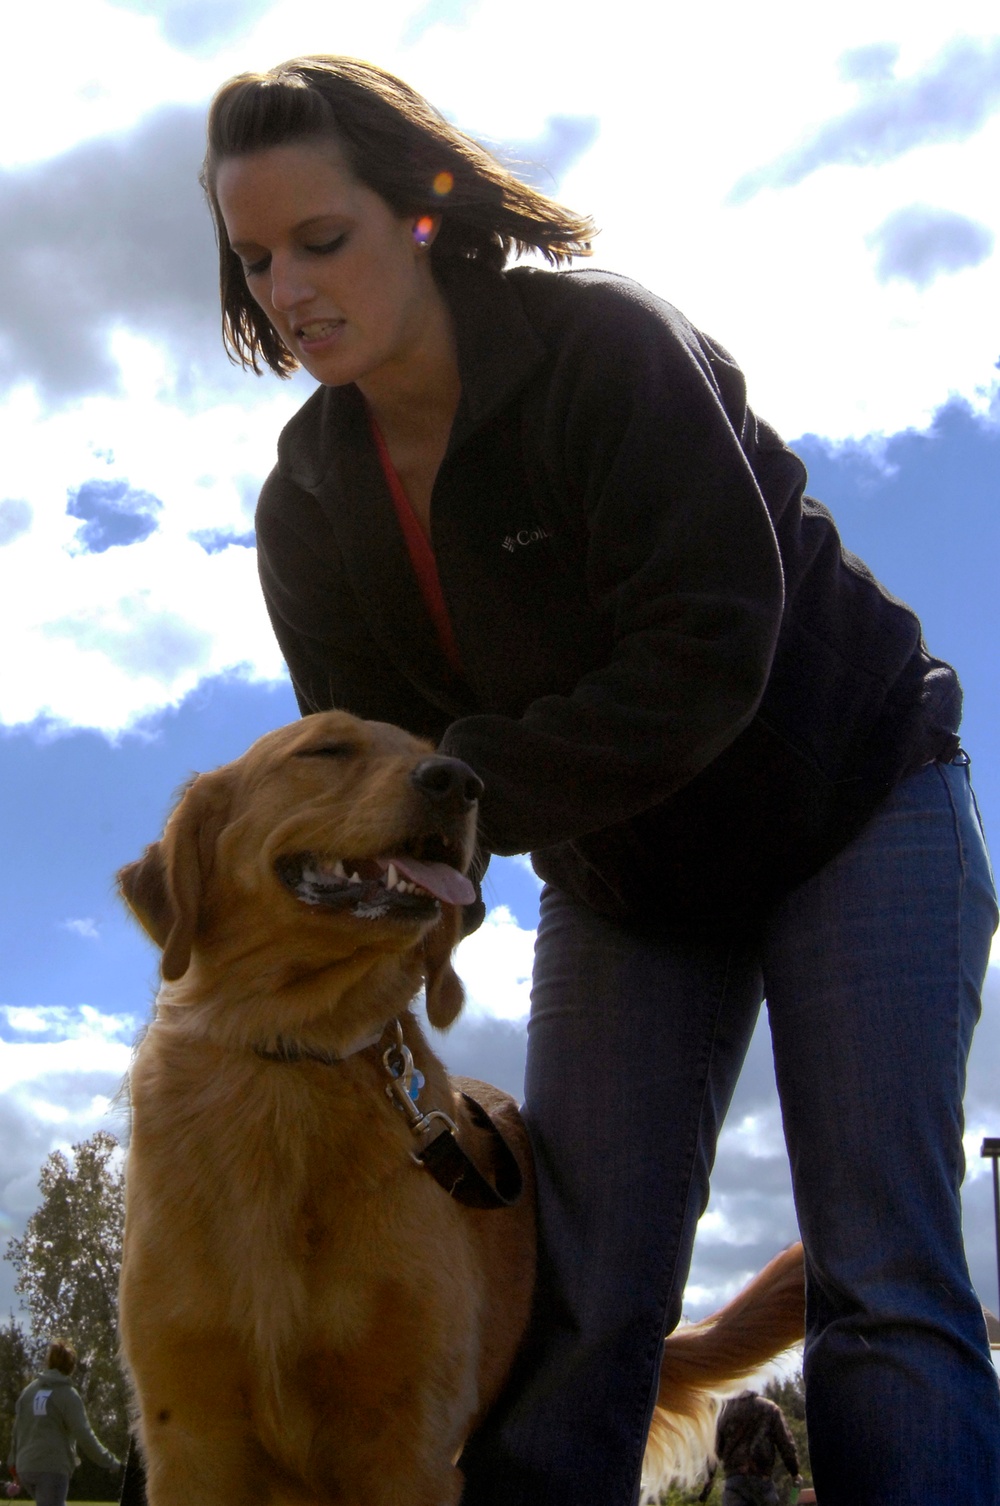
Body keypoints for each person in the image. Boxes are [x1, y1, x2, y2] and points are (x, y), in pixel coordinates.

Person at [199, 55, 1000, 1506]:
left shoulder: (607, 351)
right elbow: (384, 788)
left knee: (881, 1273)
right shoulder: (305, 503)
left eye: (322, 239)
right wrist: (362, 964)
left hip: (856, 809)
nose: (286, 288)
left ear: (423, 216)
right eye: (255, 258)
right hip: (625, 883)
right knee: (581, 1300)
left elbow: (707, 647)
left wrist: (456, 799)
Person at [6, 1340, 120, 1506]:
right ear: (71, 1365)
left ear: (49, 1361)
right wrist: (110, 1461)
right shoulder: (67, 1395)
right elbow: (84, 1434)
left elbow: (17, 1431)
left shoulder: (28, 1391)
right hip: (51, 1468)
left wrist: (12, 1464)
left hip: (26, 1468)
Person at [703, 1389, 803, 1505]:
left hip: (734, 1484)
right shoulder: (769, 1409)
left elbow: (713, 1452)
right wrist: (794, 1472)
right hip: (762, 1483)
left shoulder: (724, 1413)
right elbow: (785, 1444)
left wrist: (709, 1480)